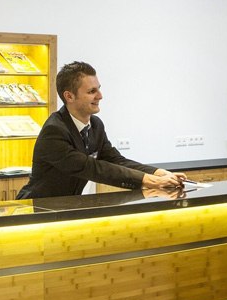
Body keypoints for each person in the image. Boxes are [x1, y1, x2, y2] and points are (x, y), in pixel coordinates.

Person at [16, 61, 186, 199]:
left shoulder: (96, 125)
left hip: (68, 206)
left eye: (99, 88)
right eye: (92, 91)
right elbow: (93, 168)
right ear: (69, 96)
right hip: (38, 209)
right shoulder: (54, 131)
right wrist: (151, 181)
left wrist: (158, 172)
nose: (100, 96)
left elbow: (115, 160)